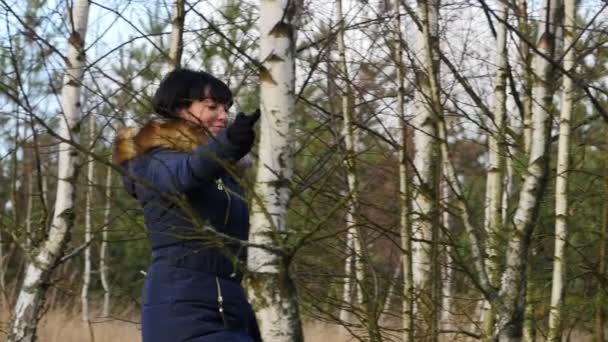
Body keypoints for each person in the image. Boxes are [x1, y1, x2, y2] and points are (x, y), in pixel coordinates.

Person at [114, 69, 262, 342]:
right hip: (181, 308)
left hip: (228, 304)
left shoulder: (222, 172)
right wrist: (228, 145)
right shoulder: (153, 159)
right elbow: (185, 174)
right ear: (181, 108)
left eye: (226, 108)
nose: (223, 115)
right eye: (212, 106)